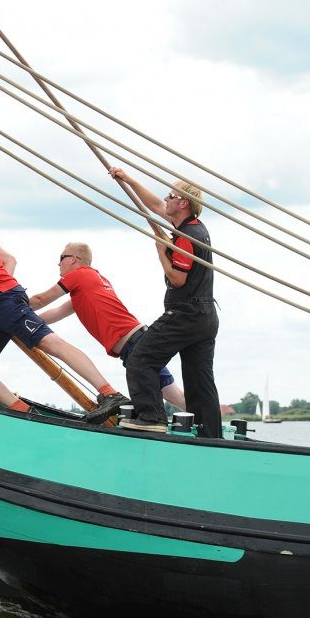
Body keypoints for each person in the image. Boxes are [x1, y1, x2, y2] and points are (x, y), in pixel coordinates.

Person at [0, 186, 122, 413]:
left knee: (51, 344)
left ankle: (110, 393)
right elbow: (8, 260)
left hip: (3, 301)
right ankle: (23, 411)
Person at [109, 168, 221, 437]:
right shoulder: (191, 227)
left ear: (183, 203)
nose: (165, 199)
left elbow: (177, 278)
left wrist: (161, 250)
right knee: (200, 381)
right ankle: (210, 436)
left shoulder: (186, 237)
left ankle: (151, 418)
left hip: (185, 314)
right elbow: (155, 205)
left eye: (171, 195)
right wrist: (128, 178)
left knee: (140, 360)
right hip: (205, 318)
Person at [28, 242, 187, 427]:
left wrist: (14, 307)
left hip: (135, 344)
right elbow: (57, 312)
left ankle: (163, 424)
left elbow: (40, 300)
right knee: (172, 393)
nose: (58, 264)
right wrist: (28, 323)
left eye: (61, 258)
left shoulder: (79, 275)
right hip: (138, 341)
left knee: (159, 396)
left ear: (74, 259)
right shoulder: (91, 280)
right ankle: (208, 421)